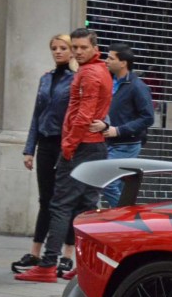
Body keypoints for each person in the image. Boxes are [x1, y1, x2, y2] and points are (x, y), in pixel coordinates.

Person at [16, 28, 112, 283]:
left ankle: (48, 265)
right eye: (76, 47)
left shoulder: (89, 73)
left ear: (94, 47)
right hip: (93, 146)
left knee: (59, 205)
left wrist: (68, 145)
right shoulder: (97, 70)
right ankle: (85, 266)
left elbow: (83, 114)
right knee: (86, 207)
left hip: (82, 146)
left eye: (82, 48)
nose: (78, 52)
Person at [13, 34, 77, 276]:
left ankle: (67, 254)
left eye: (63, 48)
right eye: (54, 48)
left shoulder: (76, 80)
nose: (58, 52)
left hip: (67, 144)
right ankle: (36, 251)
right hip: (46, 145)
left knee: (65, 201)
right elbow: (36, 116)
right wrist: (30, 149)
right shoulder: (46, 79)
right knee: (45, 200)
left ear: (72, 52)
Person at [95, 43, 154, 207]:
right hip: (108, 143)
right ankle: (120, 224)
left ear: (123, 63)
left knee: (105, 181)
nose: (106, 61)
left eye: (111, 58)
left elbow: (148, 118)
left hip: (126, 145)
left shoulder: (138, 87)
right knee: (114, 184)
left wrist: (118, 130)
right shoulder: (109, 82)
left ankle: (125, 216)